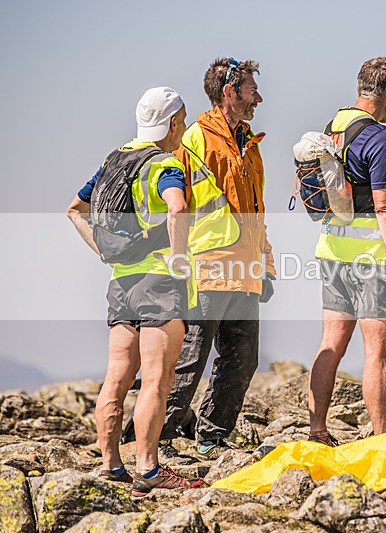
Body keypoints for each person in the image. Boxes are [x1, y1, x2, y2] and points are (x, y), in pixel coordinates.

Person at [66, 87, 204, 496]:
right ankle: (148, 470)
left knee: (116, 378)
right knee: (157, 379)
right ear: (175, 122)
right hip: (160, 282)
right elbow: (177, 207)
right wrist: (179, 257)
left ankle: (111, 466)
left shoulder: (114, 161)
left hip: (120, 282)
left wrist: (106, 252)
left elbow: (74, 208)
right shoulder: (165, 164)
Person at [158, 57, 276, 461]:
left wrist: (267, 262)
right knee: (190, 358)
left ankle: (212, 435)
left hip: (245, 269)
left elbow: (256, 210)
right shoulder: (195, 138)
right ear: (229, 92)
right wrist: (177, 263)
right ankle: (157, 437)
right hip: (206, 266)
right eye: (251, 91)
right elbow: (178, 205)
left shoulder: (250, 142)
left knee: (243, 358)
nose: (258, 98)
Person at [308, 57, 386, 445]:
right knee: (378, 354)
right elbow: (385, 206)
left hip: (332, 251)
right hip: (371, 258)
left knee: (331, 343)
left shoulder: (332, 126)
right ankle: (382, 438)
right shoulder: (379, 137)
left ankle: (317, 430)